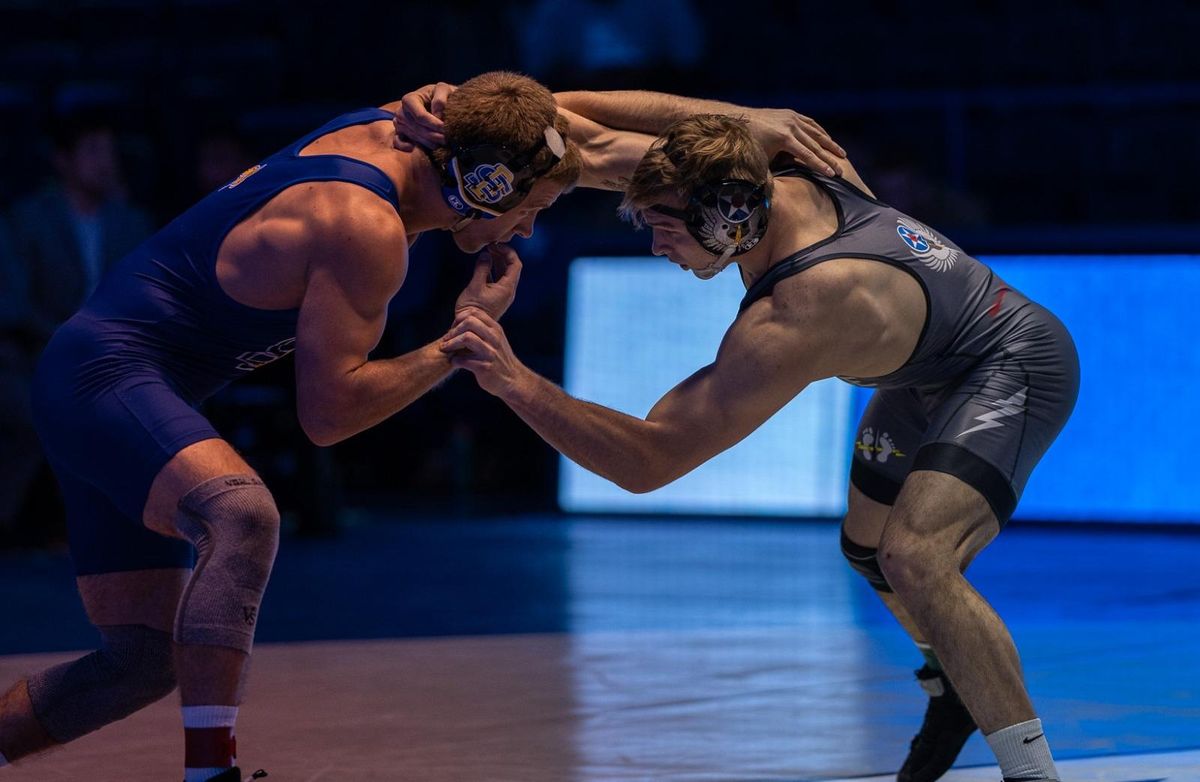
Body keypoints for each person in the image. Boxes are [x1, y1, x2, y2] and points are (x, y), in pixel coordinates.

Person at [0, 71, 839, 781]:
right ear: (483, 188)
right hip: (107, 380)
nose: (525, 230)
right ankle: (212, 772)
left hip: (123, 384)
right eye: (527, 210)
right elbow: (328, 418)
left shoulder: (433, 125)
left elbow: (566, 114)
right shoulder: (366, 230)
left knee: (138, 662)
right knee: (240, 513)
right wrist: (458, 344)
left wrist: (735, 126)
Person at [435, 107, 1079, 781]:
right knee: (867, 550)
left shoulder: (800, 309)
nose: (657, 250)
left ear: (726, 220)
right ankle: (956, 687)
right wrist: (471, 109)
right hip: (922, 374)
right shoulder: (770, 168)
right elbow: (584, 143)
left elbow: (648, 460)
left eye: (663, 231)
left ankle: (1032, 774)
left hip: (1011, 364)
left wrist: (513, 383)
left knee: (914, 556)